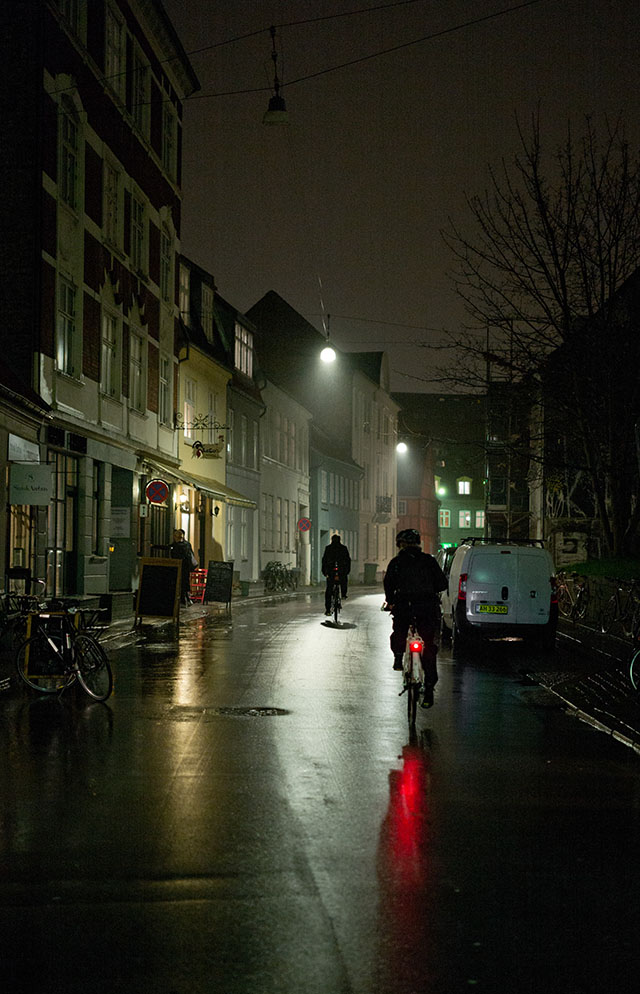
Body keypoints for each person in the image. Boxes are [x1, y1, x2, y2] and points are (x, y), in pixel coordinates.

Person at [383, 528, 448, 709]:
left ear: (401, 545)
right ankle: (428, 688)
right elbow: (442, 583)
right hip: (427, 609)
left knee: (399, 630)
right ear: (418, 544)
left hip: (404, 607)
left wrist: (391, 601)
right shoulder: (429, 561)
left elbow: (389, 583)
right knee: (428, 645)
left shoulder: (396, 563)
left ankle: (398, 657)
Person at [321, 534, 351, 615]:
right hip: (341, 571)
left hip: (330, 572)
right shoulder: (343, 548)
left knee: (329, 591)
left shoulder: (328, 548)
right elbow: (348, 560)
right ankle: (344, 594)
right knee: (344, 581)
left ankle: (327, 610)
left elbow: (324, 560)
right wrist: (347, 571)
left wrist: (324, 572)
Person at [170, 528, 197, 605]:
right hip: (186, 568)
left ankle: (183, 600)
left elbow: (169, 549)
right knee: (185, 583)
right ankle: (187, 599)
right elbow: (191, 555)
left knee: (179, 583)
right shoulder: (187, 544)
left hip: (178, 567)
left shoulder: (176, 546)